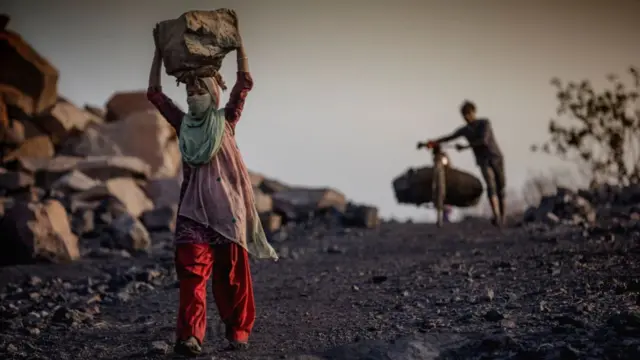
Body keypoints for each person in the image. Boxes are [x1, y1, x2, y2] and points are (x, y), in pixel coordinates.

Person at [147, 24, 278, 357]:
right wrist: (159, 51)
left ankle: (237, 330)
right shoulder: (182, 124)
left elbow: (244, 83)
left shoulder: (227, 121)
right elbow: (155, 95)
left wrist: (240, 44)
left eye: (198, 93)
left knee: (232, 277)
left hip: (227, 213)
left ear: (213, 94)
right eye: (189, 94)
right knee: (192, 277)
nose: (192, 99)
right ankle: (191, 337)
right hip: (193, 214)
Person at [422, 100, 506, 227]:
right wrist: (431, 142)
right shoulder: (465, 130)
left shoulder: (484, 123)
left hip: (495, 157)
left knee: (501, 187)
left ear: (473, 112)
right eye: (464, 115)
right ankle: (496, 215)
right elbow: (449, 137)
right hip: (483, 160)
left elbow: (483, 141)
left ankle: (503, 215)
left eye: (468, 114)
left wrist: (465, 147)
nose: (466, 117)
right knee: (490, 185)